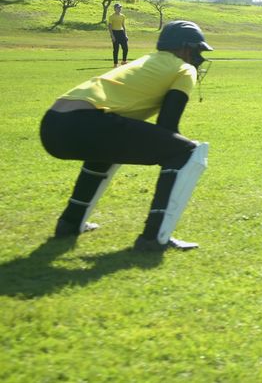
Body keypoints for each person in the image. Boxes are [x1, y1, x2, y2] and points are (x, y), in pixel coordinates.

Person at [40, 20, 213, 252]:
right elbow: (167, 124)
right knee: (187, 152)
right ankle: (154, 238)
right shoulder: (184, 69)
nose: (198, 58)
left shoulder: (145, 61)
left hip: (53, 124)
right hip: (85, 122)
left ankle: (70, 223)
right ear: (185, 48)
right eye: (197, 51)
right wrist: (174, 149)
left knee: (107, 149)